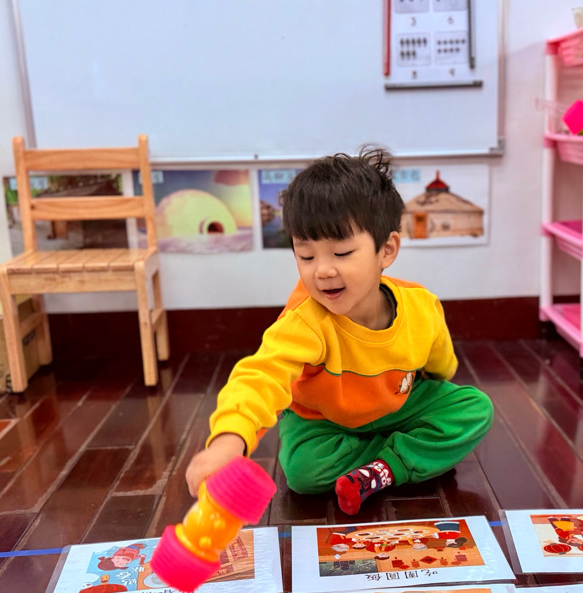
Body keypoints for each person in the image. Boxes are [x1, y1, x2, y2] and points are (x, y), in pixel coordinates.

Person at [185, 148, 493, 515]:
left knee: (475, 409)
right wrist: (228, 441)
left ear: (387, 250)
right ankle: (398, 456)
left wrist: (436, 388)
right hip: (323, 420)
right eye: (306, 256)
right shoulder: (305, 321)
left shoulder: (420, 306)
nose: (323, 271)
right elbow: (260, 376)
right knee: (302, 472)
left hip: (396, 404)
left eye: (342, 253)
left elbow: (441, 367)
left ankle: (382, 468)